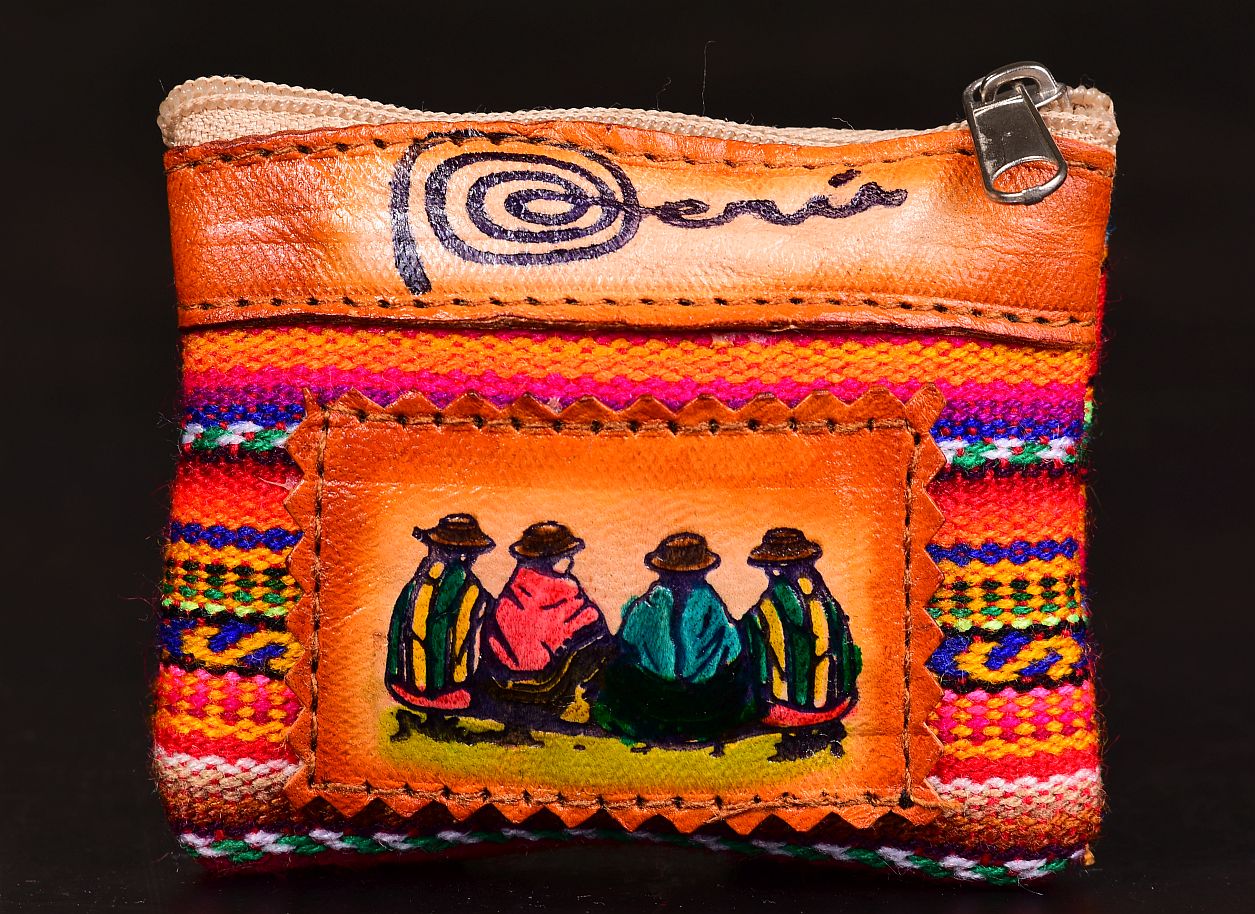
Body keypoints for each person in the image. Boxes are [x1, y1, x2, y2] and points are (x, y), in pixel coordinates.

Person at [593, 533, 757, 746]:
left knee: (617, 670)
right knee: (742, 670)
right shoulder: (710, 601)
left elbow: (627, 642)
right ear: (702, 571)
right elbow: (733, 647)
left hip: (654, 705)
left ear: (661, 570)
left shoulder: (648, 603)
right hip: (704, 705)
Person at [477, 522, 613, 741]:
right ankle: (591, 711)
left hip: (502, 680)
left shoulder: (516, 584)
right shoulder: (562, 587)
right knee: (605, 644)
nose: (571, 561)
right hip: (544, 684)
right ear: (552, 558)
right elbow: (591, 618)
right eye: (566, 555)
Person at [741, 528, 861, 760]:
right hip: (840, 703)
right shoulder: (828, 602)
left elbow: (761, 670)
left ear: (774, 568)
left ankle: (794, 740)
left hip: (789, 711)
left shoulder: (765, 610)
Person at [385, 514, 494, 722]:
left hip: (402, 687)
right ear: (466, 554)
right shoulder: (469, 588)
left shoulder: (413, 585)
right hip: (451, 694)